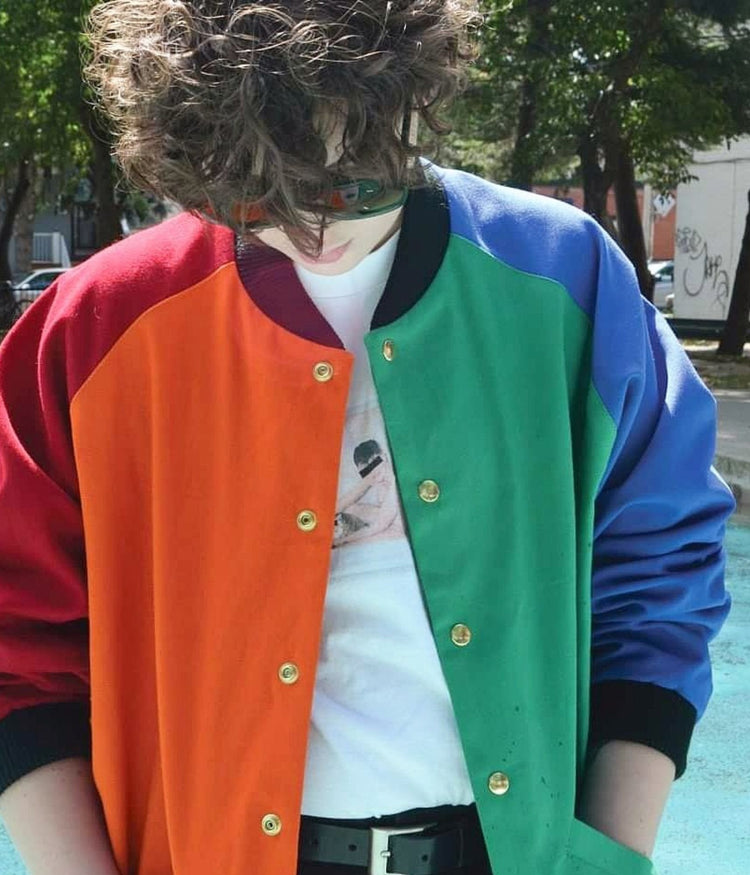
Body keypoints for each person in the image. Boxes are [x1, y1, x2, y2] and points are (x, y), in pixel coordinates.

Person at [0, 2, 735, 875]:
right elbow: (18, 647)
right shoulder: (95, 330)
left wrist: (607, 854)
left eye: (353, 182)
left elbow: (660, 572)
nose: (313, 232)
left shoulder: (565, 281)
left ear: (412, 109)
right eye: (255, 195)